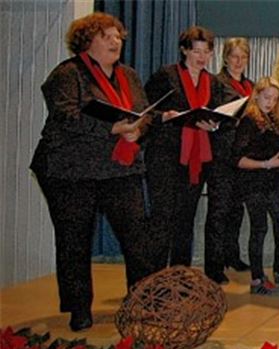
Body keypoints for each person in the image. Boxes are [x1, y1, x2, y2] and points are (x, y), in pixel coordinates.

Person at [33, 12, 154, 332]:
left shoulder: (128, 74)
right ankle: (79, 309)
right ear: (87, 42)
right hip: (71, 171)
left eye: (118, 36)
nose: (116, 41)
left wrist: (138, 131)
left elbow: (144, 113)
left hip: (119, 168)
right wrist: (113, 127)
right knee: (75, 241)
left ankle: (141, 303)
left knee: (138, 237)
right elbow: (65, 116)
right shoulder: (67, 74)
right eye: (107, 36)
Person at [144, 26, 237, 284]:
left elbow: (232, 112)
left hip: (198, 160)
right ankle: (154, 281)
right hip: (166, 156)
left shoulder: (215, 82)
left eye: (206, 52)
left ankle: (179, 279)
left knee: (186, 219)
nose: (201, 57)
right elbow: (144, 109)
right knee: (162, 218)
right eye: (196, 51)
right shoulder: (166, 75)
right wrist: (164, 116)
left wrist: (215, 124)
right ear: (184, 50)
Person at [233, 77, 279, 295]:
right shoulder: (249, 121)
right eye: (267, 97)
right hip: (254, 183)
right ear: (256, 95)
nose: (271, 102)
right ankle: (257, 278)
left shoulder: (273, 120)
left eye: (275, 99)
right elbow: (237, 159)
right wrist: (266, 164)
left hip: (273, 182)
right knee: (259, 229)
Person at [216, 37, 254, 273]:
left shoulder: (250, 85)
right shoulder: (217, 82)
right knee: (220, 209)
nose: (239, 61)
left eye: (243, 57)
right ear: (226, 58)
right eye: (234, 56)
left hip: (243, 154)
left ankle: (232, 254)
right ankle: (216, 261)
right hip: (223, 152)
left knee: (236, 210)